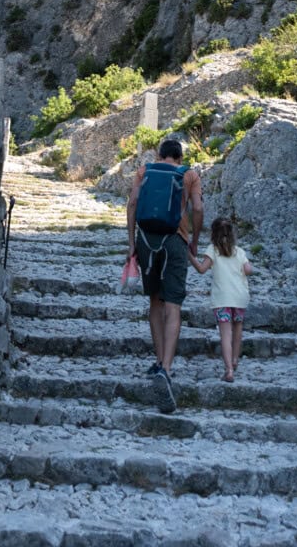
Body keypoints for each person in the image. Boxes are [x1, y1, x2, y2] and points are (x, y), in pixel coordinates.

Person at [126, 138, 203, 413]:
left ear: (159, 155)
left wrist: (132, 244)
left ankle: (159, 360)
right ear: (180, 157)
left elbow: (133, 203)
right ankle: (167, 369)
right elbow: (197, 209)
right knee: (174, 306)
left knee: (155, 303)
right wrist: (194, 239)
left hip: (147, 240)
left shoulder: (144, 171)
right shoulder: (190, 175)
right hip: (175, 242)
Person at [188, 217, 252, 383]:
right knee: (238, 329)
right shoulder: (240, 251)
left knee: (225, 334)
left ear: (213, 234)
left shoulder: (213, 250)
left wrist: (189, 256)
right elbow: (248, 269)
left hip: (222, 298)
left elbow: (202, 269)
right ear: (232, 234)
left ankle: (229, 370)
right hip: (240, 297)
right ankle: (235, 360)